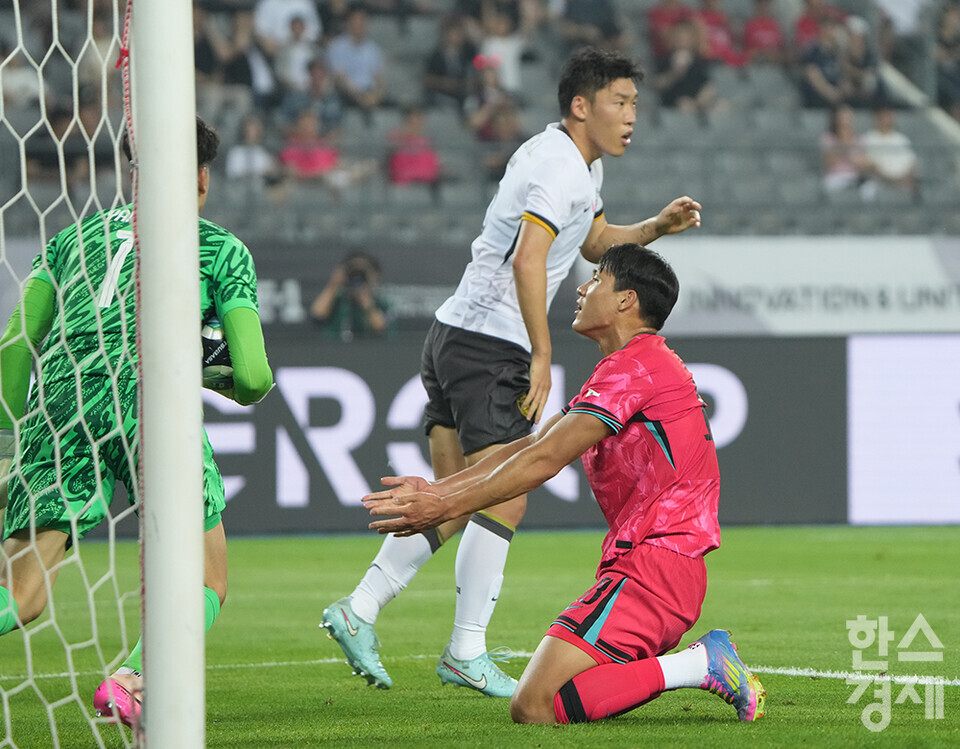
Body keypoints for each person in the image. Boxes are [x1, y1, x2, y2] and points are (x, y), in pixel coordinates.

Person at [320, 46, 703, 697]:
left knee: (459, 492)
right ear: (581, 105)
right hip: (490, 344)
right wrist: (542, 351)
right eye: (620, 101)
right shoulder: (559, 168)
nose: (631, 114)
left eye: (634, 102)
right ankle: (453, 644)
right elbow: (531, 260)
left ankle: (367, 609)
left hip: (454, 333)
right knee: (503, 489)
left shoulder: (575, 164)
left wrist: (655, 228)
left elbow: (593, 242)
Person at [363, 243, 766, 725]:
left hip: (655, 569)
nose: (581, 287)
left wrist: (443, 507)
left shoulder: (636, 368)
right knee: (547, 702)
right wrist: (437, 493)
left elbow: (545, 460)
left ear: (625, 300)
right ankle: (690, 664)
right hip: (652, 567)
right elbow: (528, 447)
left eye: (596, 278)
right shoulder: (629, 367)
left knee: (532, 706)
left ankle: (701, 664)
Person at [0, 117, 274, 730]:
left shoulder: (73, 240)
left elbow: (18, 343)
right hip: (154, 406)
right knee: (207, 576)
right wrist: (208, 372)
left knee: (23, 595)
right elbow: (253, 377)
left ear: (135, 173)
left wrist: (15, 427)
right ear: (203, 177)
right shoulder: (219, 249)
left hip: (60, 402)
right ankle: (130, 681)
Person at [310, 252, 391, 341]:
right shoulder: (337, 300)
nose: (358, 276)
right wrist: (333, 284)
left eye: (362, 272)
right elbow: (317, 315)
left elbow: (381, 329)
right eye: (354, 271)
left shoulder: (382, 303)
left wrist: (365, 300)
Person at [861, 104, 919, 199]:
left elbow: (911, 163)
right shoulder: (868, 139)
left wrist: (903, 179)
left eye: (888, 116)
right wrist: (891, 181)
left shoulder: (901, 139)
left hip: (902, 183)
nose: (885, 119)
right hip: (880, 184)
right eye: (882, 116)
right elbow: (869, 166)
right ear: (876, 117)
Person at [820, 103, 875, 199]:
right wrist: (844, 145)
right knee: (828, 187)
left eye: (848, 116)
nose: (845, 120)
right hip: (835, 177)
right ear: (836, 118)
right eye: (842, 116)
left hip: (854, 176)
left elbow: (862, 162)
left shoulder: (858, 139)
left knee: (869, 186)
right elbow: (830, 161)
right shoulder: (828, 139)